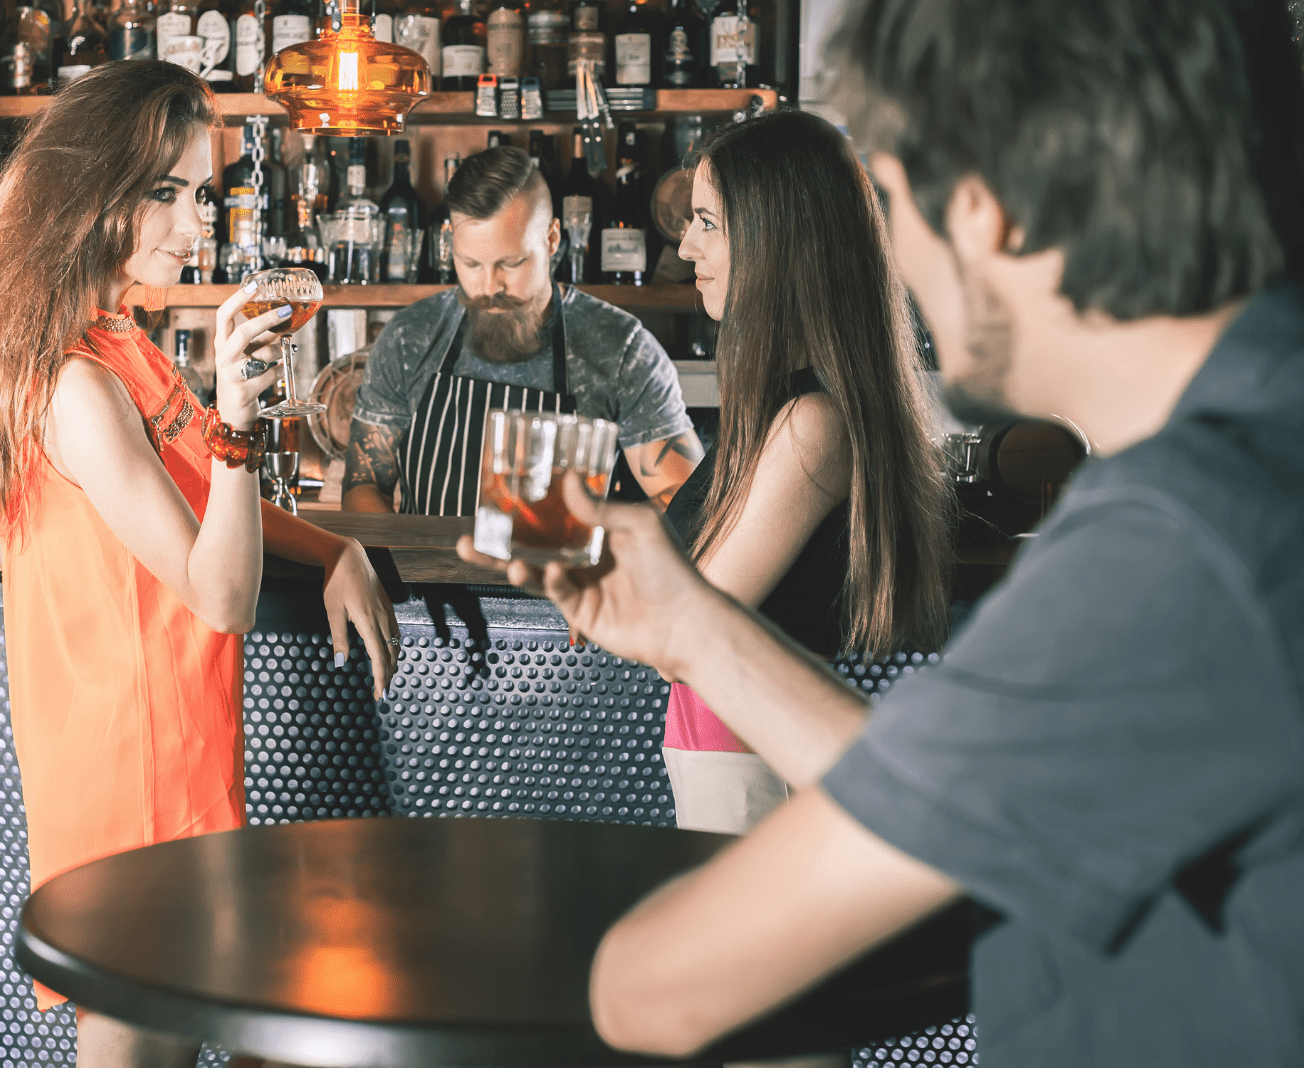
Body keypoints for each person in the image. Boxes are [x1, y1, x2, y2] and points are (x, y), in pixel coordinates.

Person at [458, 0, 1304, 1062]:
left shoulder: (1174, 554)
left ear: (987, 210)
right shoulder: (1259, 461)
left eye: (894, 200)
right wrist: (689, 627)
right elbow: (960, 814)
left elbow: (651, 988)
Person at [0, 62, 399, 1068]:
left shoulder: (125, 348)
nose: (198, 221)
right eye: (169, 192)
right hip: (128, 779)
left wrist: (333, 547)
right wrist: (239, 423)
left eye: (199, 192)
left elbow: (208, 507)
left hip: (182, 756)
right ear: (96, 194)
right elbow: (220, 591)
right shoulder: (75, 386)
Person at [662, 109, 952, 834]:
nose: (685, 243)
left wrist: (601, 559)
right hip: (726, 746)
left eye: (708, 222)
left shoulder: (812, 424)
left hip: (745, 754)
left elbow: (686, 632)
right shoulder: (782, 407)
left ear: (775, 241)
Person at [344, 145, 703, 516]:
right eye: (469, 263)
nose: (489, 286)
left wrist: (596, 540)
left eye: (511, 263)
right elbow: (364, 486)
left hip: (561, 573)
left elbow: (686, 498)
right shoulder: (409, 337)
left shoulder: (620, 347)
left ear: (551, 239)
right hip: (423, 576)